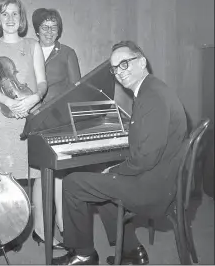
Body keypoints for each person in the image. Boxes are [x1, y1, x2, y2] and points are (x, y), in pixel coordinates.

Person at [52, 40, 188, 265]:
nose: (118, 73)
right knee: (102, 181)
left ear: (142, 62)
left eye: (124, 64)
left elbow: (145, 158)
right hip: (162, 179)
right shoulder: (151, 89)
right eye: (115, 68)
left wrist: (114, 169)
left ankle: (83, 254)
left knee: (73, 183)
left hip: (154, 189)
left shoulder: (152, 97)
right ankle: (132, 250)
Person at [0, 0, 49, 247]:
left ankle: (40, 229)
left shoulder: (33, 45)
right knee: (4, 174)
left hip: (30, 110)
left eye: (15, 14)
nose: (10, 19)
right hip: (1, 116)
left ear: (21, 19)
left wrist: (33, 99)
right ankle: (11, 229)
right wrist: (8, 102)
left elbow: (42, 82)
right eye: (4, 14)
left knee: (38, 174)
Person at [31, 8, 81, 247]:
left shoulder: (68, 53)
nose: (50, 32)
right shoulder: (28, 50)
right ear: (36, 29)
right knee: (40, 174)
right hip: (31, 118)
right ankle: (41, 229)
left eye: (54, 27)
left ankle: (61, 222)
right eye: (45, 27)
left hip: (59, 121)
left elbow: (75, 88)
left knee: (58, 173)